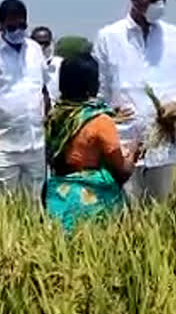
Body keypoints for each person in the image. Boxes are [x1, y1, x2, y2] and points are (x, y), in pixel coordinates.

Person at [92, 0, 176, 204]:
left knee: (164, 213)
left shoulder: (175, 37)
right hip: (123, 145)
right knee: (126, 217)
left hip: (164, 146)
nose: (159, 4)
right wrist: (108, 112)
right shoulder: (109, 37)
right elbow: (98, 91)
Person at [45, 55, 139, 232]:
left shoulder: (55, 116)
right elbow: (123, 171)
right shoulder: (101, 122)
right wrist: (135, 150)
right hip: (94, 201)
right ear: (91, 85)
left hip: (61, 198)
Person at [0, 0, 49, 205]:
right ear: (1, 24)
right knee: (4, 206)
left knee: (33, 204)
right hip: (4, 144)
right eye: (12, 26)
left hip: (35, 143)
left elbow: (43, 88)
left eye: (22, 25)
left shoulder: (34, 49)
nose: (18, 30)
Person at [32, 26, 62, 105]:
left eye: (46, 43)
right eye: (39, 43)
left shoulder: (60, 64)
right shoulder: (25, 65)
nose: (42, 47)